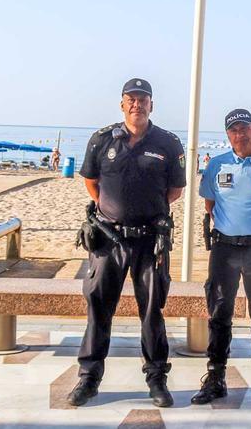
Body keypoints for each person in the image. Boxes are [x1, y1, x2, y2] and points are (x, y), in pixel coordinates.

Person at [69, 78, 185, 408]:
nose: (137, 104)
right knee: (99, 308)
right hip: (108, 239)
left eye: (143, 99)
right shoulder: (102, 139)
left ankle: (157, 378)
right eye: (131, 99)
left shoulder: (168, 142)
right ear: (122, 104)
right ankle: (89, 378)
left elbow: (175, 191)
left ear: (152, 104)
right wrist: (113, 212)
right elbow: (92, 182)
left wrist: (144, 211)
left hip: (150, 240)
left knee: (152, 311)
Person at [191, 109, 251, 408]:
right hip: (225, 249)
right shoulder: (217, 165)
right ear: (228, 135)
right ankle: (215, 378)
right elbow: (211, 205)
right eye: (234, 130)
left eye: (245, 128)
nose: (240, 134)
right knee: (219, 312)